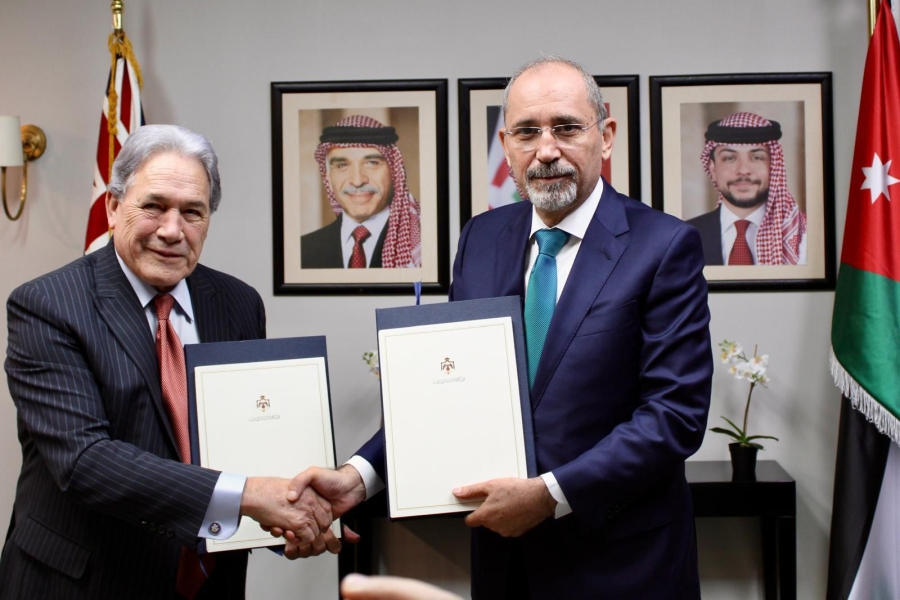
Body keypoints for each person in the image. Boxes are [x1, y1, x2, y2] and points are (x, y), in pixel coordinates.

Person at [283, 57, 713, 599]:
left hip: (624, 566)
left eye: (566, 128)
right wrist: (358, 477)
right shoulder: (481, 239)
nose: (547, 150)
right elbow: (445, 392)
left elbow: (674, 415)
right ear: (507, 145)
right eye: (527, 132)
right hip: (504, 565)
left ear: (605, 137)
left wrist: (550, 495)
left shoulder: (664, 246)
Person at [0, 125, 339, 600]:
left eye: (192, 212)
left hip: (207, 583)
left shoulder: (238, 303)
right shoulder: (48, 304)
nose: (172, 230)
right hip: (82, 582)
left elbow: (247, 440)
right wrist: (250, 496)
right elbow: (84, 461)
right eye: (154, 206)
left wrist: (296, 516)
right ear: (113, 206)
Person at [301, 115, 421, 269]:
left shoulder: (424, 243)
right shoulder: (303, 250)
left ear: (394, 173)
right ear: (329, 179)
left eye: (372, 163)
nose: (357, 181)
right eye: (342, 165)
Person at [687, 112, 807, 266]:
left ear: (773, 166)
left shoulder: (803, 236)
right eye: (729, 158)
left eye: (757, 158)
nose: (743, 170)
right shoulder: (683, 237)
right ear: (713, 169)